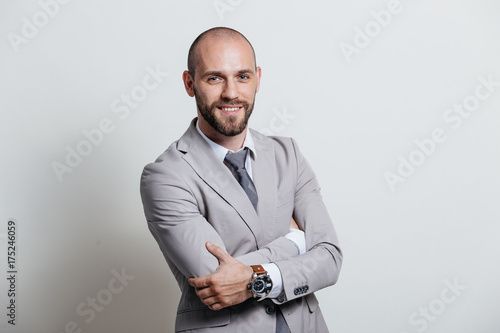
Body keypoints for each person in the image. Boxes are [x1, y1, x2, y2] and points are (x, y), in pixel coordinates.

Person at [140, 27, 342, 333]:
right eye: (214, 78)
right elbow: (218, 280)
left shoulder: (288, 154)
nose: (231, 92)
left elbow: (329, 258)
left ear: (258, 78)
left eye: (242, 76)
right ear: (189, 83)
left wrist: (256, 277)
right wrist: (296, 242)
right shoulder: (165, 176)